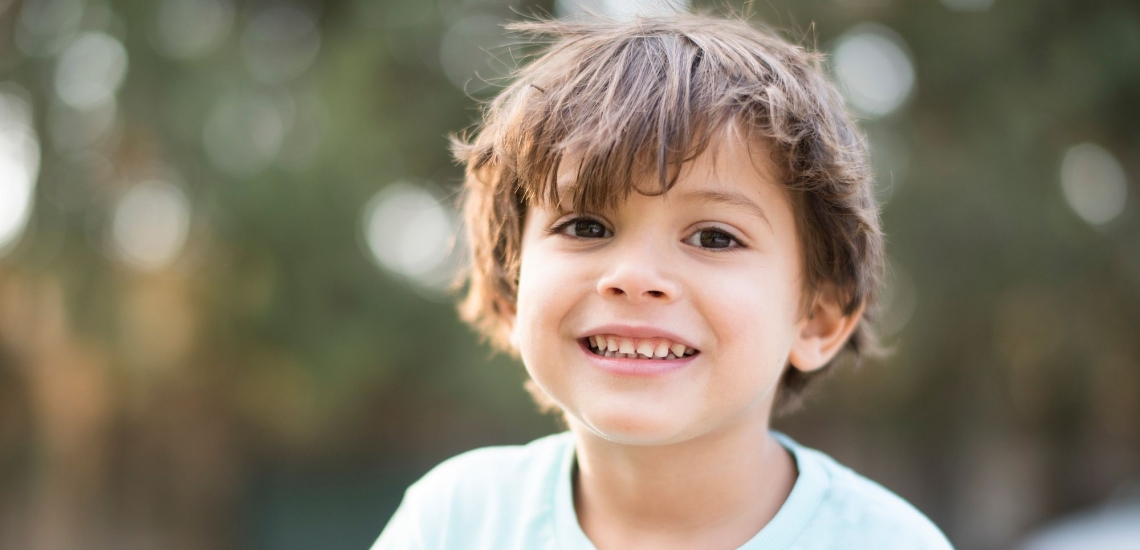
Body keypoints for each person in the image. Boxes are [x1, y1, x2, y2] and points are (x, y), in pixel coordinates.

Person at [373, 10, 953, 550]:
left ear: (818, 320)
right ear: (510, 290)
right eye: (585, 225)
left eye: (714, 237)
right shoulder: (454, 523)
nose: (634, 277)